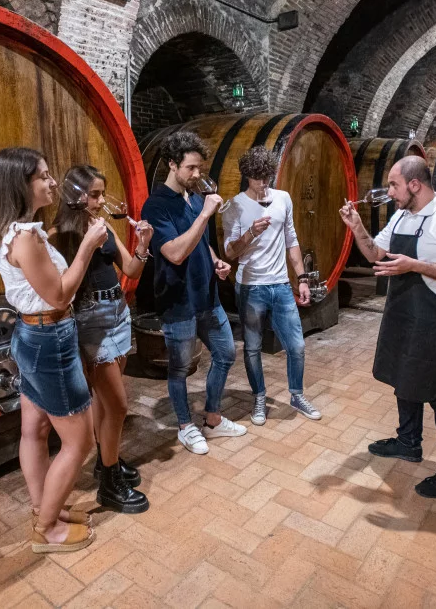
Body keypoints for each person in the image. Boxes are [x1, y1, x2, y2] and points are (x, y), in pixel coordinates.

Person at [0, 147, 106, 553]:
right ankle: (47, 529)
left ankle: (42, 508)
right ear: (21, 185)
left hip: (31, 338)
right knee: (80, 441)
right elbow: (60, 294)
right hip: (50, 341)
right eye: (44, 176)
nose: (53, 182)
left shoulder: (17, 230)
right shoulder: (27, 238)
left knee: (34, 429)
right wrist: (87, 245)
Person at [339, 155, 436, 498]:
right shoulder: (402, 216)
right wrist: (356, 226)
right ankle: (408, 442)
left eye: (394, 185)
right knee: (403, 377)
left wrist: (415, 265)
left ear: (415, 184)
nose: (390, 192)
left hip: (434, 319)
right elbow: (375, 255)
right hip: (402, 312)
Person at [50, 165, 151, 514]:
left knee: (106, 401)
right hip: (91, 323)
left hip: (119, 315)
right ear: (74, 195)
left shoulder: (103, 226)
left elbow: (132, 270)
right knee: (119, 405)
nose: (100, 201)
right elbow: (60, 291)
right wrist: (87, 244)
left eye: (101, 194)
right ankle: (108, 482)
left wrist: (144, 244)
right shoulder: (58, 235)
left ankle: (106, 460)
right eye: (94, 194)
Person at [140, 131, 247, 454]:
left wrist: (216, 262)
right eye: (191, 168)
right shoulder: (156, 205)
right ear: (172, 165)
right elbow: (173, 252)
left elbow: (199, 242)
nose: (197, 175)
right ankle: (186, 426)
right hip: (178, 301)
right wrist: (204, 215)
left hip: (207, 296)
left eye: (200, 168)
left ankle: (212, 419)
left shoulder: (196, 197)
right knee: (180, 368)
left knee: (226, 354)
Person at [222, 146, 321, 425]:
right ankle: (259, 397)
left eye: (266, 177)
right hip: (251, 286)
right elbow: (230, 252)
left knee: (297, 346)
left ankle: (296, 394)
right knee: (252, 348)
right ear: (247, 176)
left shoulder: (283, 198)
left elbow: (292, 240)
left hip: (280, 285)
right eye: (257, 178)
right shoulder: (234, 206)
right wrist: (251, 233)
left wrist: (301, 278)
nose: (263, 184)